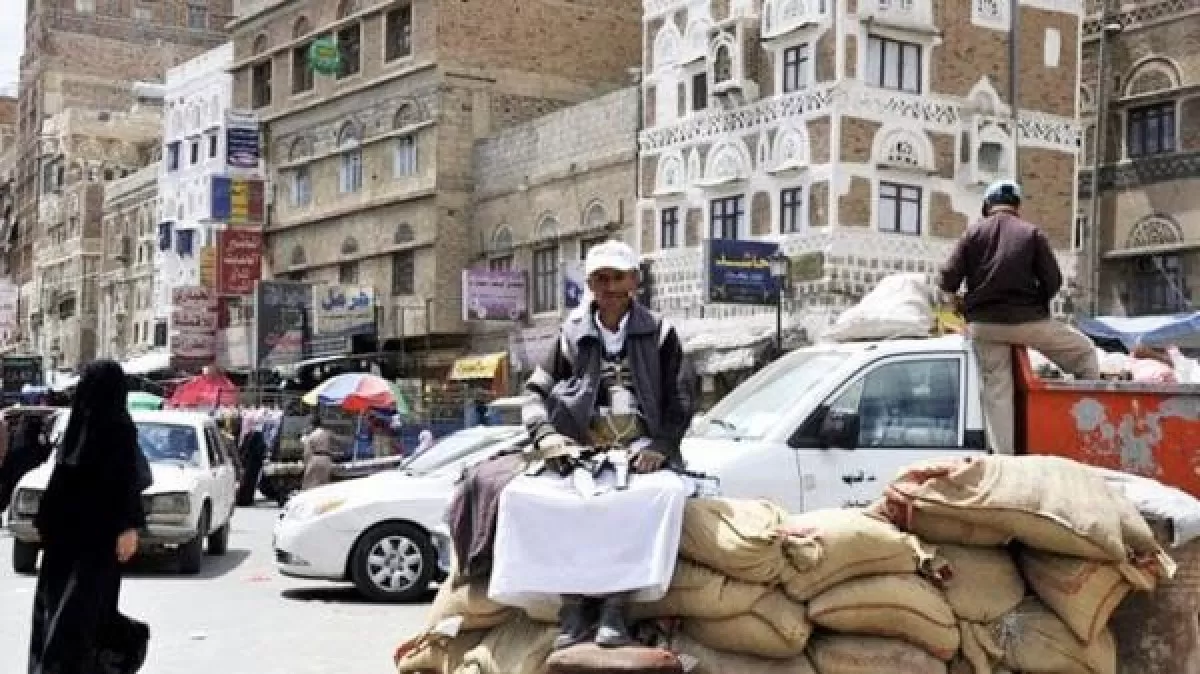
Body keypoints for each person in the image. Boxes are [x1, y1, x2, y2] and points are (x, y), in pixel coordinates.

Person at [488, 240, 695, 650]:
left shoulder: (660, 333)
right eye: (601, 279)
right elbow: (535, 392)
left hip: (641, 451)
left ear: (634, 281)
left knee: (654, 499)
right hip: (580, 451)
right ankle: (573, 608)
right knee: (529, 500)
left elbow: (682, 397)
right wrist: (547, 437)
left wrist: (661, 445)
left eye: (618, 278)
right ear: (590, 285)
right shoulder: (570, 335)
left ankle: (616, 608)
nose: (610, 287)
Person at [939, 180, 1100, 454]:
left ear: (987, 205)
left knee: (997, 392)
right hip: (1028, 323)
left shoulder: (973, 232)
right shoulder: (1031, 233)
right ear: (1017, 206)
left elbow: (947, 279)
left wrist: (958, 304)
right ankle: (1088, 436)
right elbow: (1053, 280)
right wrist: (1036, 304)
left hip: (985, 326)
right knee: (1083, 353)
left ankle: (1005, 460)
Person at [30, 360, 152, 674]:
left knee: (61, 613)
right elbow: (125, 481)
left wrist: (44, 523)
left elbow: (60, 480)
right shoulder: (118, 428)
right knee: (85, 617)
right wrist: (128, 527)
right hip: (96, 542)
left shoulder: (78, 426)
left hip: (69, 540)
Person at [301, 416, 336, 490]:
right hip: (327, 459)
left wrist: (306, 463)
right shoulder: (327, 433)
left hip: (315, 459)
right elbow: (334, 445)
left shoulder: (311, 436)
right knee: (324, 483)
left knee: (310, 483)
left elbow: (307, 453)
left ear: (312, 425)